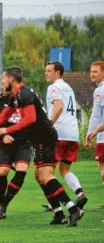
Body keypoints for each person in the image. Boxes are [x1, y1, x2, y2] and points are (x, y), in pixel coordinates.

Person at [0, 67, 83, 226]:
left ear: (11, 79)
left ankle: (73, 209)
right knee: (39, 176)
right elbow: (3, 116)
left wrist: (8, 129)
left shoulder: (25, 94)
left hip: (44, 138)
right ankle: (59, 214)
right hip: (39, 139)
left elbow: (31, 119)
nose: (2, 83)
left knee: (46, 176)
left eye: (3, 79)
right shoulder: (17, 96)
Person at [45, 61, 87, 211]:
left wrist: (48, 125)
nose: (46, 73)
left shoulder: (53, 87)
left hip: (59, 133)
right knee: (64, 170)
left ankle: (56, 203)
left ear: (57, 72)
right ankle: (80, 193)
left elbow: (58, 107)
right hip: (72, 134)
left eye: (49, 71)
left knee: (47, 172)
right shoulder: (68, 87)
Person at [0, 77, 31, 220]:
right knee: (2, 171)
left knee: (22, 170)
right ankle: (1, 200)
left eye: (3, 83)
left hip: (23, 143)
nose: (1, 86)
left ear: (11, 83)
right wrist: (2, 137)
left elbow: (32, 118)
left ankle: (4, 204)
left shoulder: (25, 98)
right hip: (4, 144)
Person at [85, 60, 104, 209]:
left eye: (95, 71)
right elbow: (95, 116)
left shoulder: (101, 91)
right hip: (100, 137)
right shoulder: (98, 90)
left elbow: (96, 116)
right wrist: (90, 134)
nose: (92, 74)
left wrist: (92, 132)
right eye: (91, 71)